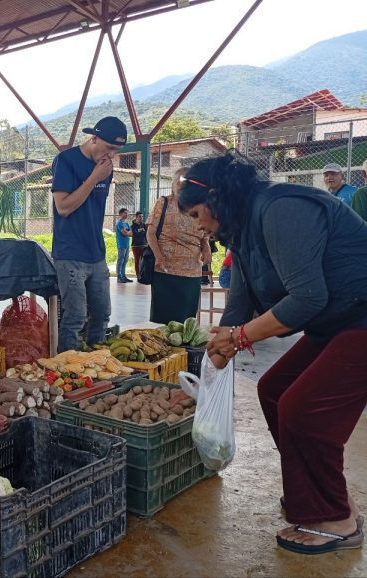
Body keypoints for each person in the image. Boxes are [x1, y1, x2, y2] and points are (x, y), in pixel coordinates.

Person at [180, 151, 367, 555]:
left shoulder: (281, 208)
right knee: (274, 389)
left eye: (197, 214)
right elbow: (242, 295)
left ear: (215, 198)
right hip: (338, 322)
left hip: (361, 317)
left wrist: (241, 337)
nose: (199, 226)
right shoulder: (242, 225)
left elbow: (307, 299)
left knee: (303, 408)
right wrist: (220, 348)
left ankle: (338, 518)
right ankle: (314, 495)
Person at [51, 116, 127, 352]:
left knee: (102, 314)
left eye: (117, 151)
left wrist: (101, 175)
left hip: (96, 253)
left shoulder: (107, 168)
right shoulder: (66, 161)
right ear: (94, 138)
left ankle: (97, 367)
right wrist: (94, 178)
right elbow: (63, 207)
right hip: (70, 253)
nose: (111, 155)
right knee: (75, 317)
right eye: (110, 148)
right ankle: (67, 372)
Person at [146, 166, 211, 324]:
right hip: (165, 269)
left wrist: (207, 249)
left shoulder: (200, 205)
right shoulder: (164, 202)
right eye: (178, 182)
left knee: (186, 319)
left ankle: (183, 348)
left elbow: (205, 236)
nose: (181, 186)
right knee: (165, 320)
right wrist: (158, 256)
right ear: (173, 184)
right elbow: (150, 232)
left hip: (192, 271)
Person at [115, 208, 133, 282]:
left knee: (125, 260)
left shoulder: (126, 223)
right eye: (125, 213)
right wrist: (128, 233)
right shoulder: (119, 223)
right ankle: (119, 277)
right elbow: (125, 233)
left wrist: (129, 233)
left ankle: (123, 276)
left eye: (127, 213)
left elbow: (130, 233)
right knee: (120, 260)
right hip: (121, 244)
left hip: (126, 244)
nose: (127, 214)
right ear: (120, 214)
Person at [130, 210, 147, 280]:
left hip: (144, 245)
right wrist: (142, 231)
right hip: (136, 246)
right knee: (137, 261)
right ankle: (138, 275)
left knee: (144, 261)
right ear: (136, 217)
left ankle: (143, 274)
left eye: (142, 216)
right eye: (140, 216)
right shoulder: (133, 226)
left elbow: (146, 233)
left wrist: (141, 231)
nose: (141, 218)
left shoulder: (143, 225)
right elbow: (136, 234)